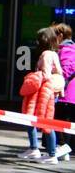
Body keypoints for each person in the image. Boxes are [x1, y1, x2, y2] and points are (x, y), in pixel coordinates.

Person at [20, 26, 68, 163]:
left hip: (43, 92)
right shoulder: (54, 53)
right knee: (45, 120)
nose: (36, 43)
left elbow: (46, 74)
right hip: (51, 91)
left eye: (38, 40)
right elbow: (59, 72)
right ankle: (43, 150)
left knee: (36, 119)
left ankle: (44, 151)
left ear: (43, 41)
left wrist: (34, 77)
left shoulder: (46, 54)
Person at [55, 22, 75, 152]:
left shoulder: (67, 50)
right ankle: (65, 149)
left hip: (67, 93)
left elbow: (66, 71)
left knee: (62, 121)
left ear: (61, 35)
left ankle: (64, 148)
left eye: (54, 35)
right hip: (68, 93)